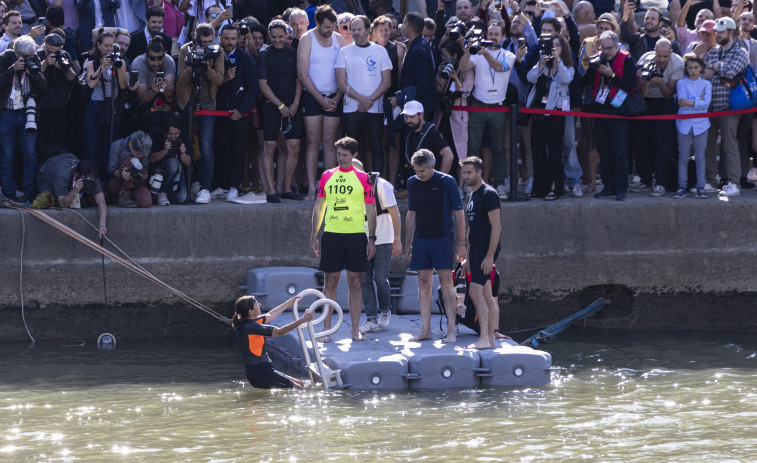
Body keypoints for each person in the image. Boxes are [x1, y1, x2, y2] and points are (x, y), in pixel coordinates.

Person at [310, 137, 377, 342]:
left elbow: (371, 209)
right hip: (332, 234)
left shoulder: (363, 178)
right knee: (330, 281)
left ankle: (355, 329)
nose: (340, 158)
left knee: (355, 282)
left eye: (345, 155)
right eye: (338, 154)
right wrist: (314, 235)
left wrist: (372, 238)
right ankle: (327, 328)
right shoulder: (327, 175)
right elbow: (320, 207)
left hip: (356, 234)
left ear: (354, 155)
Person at [405, 149, 466, 343]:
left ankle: (451, 329)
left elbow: (458, 213)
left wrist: (462, 243)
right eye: (416, 171)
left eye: (422, 171)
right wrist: (409, 242)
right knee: (423, 282)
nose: (419, 175)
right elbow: (411, 213)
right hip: (422, 238)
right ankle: (425, 330)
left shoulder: (447, 181)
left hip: (443, 237)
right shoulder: (412, 182)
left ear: (432, 166)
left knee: (446, 283)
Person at [458, 20, 515, 199]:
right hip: (478, 106)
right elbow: (463, 67)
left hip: (498, 108)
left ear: (503, 37)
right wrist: (469, 49)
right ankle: (471, 185)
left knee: (498, 148)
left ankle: (499, 184)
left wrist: (485, 53)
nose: (493, 37)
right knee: (473, 148)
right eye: (490, 34)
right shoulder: (477, 53)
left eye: (496, 34)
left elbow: (500, 68)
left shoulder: (508, 55)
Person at [297, 5, 346, 201]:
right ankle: (311, 188)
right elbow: (302, 73)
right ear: (317, 23)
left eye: (333, 26)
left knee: (330, 143)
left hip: (334, 96)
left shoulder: (339, 39)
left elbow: (345, 71)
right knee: (312, 143)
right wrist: (320, 99)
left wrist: (336, 98)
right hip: (313, 97)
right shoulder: (307, 39)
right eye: (327, 27)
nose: (330, 30)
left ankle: (330, 189)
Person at [582, 31, 636, 201]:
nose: (606, 52)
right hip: (600, 108)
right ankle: (608, 186)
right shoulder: (598, 57)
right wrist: (591, 69)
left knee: (619, 150)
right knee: (604, 150)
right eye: (603, 48)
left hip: (618, 110)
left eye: (609, 48)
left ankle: (621, 188)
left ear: (617, 45)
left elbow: (630, 86)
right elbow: (585, 82)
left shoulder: (627, 59)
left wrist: (611, 75)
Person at [336, 15, 392, 174]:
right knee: (352, 150)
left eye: (359, 29)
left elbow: (386, 81)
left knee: (376, 147)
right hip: (351, 109)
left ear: (368, 30)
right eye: (353, 29)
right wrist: (362, 100)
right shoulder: (344, 52)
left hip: (375, 109)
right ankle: (353, 184)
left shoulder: (380, 51)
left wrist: (371, 100)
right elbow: (341, 83)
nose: (355, 32)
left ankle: (377, 187)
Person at [176, 23, 224, 204]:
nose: (207, 46)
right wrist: (191, 67)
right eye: (203, 43)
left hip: (207, 104)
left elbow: (219, 79)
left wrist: (206, 68)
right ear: (195, 39)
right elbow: (180, 82)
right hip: (187, 102)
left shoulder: (217, 51)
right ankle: (186, 184)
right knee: (186, 145)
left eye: (210, 41)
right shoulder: (184, 50)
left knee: (205, 148)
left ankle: (205, 187)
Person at [353, 158, 402, 335]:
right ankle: (371, 318)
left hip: (383, 237)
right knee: (364, 279)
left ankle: (385, 310)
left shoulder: (381, 185)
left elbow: (395, 213)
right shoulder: (350, 187)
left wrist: (397, 239)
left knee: (380, 278)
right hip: (361, 237)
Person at [630, 39, 684, 197]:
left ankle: (660, 182)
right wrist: (647, 82)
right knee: (641, 142)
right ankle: (645, 180)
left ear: (670, 54)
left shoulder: (678, 63)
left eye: (665, 56)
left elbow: (669, 94)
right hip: (646, 102)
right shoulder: (644, 60)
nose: (661, 60)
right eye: (658, 56)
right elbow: (641, 93)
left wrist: (660, 82)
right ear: (654, 51)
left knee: (662, 144)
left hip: (665, 103)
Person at [257, 19, 302, 203]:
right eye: (274, 37)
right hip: (271, 106)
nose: (277, 40)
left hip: (292, 106)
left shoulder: (292, 52)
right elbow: (262, 84)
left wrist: (296, 103)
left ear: (287, 35)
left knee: (293, 146)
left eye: (281, 37)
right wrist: (280, 105)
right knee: (270, 147)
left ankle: (286, 187)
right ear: (270, 36)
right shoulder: (264, 54)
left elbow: (299, 79)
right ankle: (272, 190)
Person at [704, 17, 748, 196]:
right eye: (717, 31)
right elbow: (705, 74)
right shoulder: (712, 51)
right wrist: (717, 68)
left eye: (721, 32)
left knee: (730, 145)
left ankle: (734, 183)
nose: (717, 34)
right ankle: (709, 180)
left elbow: (732, 71)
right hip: (710, 106)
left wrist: (715, 67)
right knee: (708, 145)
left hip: (729, 106)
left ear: (731, 32)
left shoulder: (740, 51)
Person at [459, 156, 501, 349]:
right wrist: (467, 256)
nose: (466, 176)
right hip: (475, 251)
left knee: (475, 292)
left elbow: (496, 227)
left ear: (479, 172)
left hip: (485, 251)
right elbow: (470, 229)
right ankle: (491, 339)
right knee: (486, 294)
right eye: (464, 172)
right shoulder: (471, 195)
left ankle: (484, 338)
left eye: (469, 172)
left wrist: (490, 256)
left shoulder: (488, 194)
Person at [526, 35, 574, 200]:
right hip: (538, 114)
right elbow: (530, 78)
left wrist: (558, 60)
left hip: (555, 115)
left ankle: (556, 186)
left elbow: (566, 79)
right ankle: (540, 187)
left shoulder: (567, 67)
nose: (554, 49)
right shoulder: (542, 65)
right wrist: (541, 63)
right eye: (551, 46)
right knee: (538, 151)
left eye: (557, 46)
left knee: (554, 152)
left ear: (563, 49)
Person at [214, 24, 257, 203]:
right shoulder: (215, 57)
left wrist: (242, 109)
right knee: (221, 149)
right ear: (221, 39)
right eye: (226, 38)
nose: (230, 42)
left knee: (238, 151)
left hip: (240, 115)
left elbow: (253, 87)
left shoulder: (246, 59)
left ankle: (234, 186)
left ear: (238, 39)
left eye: (233, 38)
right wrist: (224, 79)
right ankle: (222, 185)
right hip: (218, 113)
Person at [232, 295, 314, 389]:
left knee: (300, 384)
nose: (259, 304)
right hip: (260, 374)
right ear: (250, 311)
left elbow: (271, 315)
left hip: (263, 371)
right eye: (256, 304)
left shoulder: (250, 322)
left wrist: (289, 302)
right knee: (300, 388)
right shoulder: (250, 327)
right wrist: (303, 320)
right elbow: (280, 332)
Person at [0, 35, 46, 203]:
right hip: (8, 112)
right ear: (17, 52)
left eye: (31, 55)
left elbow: (43, 86)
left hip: (28, 113)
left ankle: (29, 192)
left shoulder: (35, 59)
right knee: (6, 155)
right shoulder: (5, 58)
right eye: (26, 57)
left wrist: (32, 72)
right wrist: (12, 69)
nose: (29, 59)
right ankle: (8, 192)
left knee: (30, 154)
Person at [83, 31, 128, 183]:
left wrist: (119, 67)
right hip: (95, 107)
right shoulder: (92, 63)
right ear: (99, 46)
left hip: (112, 107)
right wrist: (102, 67)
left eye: (112, 46)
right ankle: (92, 184)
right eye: (106, 46)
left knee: (110, 149)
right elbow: (91, 83)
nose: (109, 49)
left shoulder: (120, 62)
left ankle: (108, 185)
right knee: (92, 148)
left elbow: (123, 85)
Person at [34, 155, 108, 237]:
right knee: (45, 200)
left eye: (91, 179)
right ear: (77, 174)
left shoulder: (91, 175)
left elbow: (101, 201)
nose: (88, 181)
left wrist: (102, 225)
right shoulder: (61, 174)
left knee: (83, 201)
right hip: (47, 171)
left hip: (66, 159)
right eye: (86, 178)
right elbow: (63, 204)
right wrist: (74, 191)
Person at [674, 54, 712, 199]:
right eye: (690, 68)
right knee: (683, 156)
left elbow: (706, 104)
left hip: (702, 124)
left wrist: (691, 103)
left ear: (701, 68)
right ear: (686, 69)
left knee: (700, 157)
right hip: (683, 124)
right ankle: (682, 186)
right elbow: (681, 102)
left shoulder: (706, 84)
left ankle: (700, 187)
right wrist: (698, 101)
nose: (693, 70)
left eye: (696, 67)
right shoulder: (681, 83)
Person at [35, 32, 78, 153]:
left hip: (60, 106)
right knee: (41, 143)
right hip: (42, 107)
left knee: (59, 141)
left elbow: (73, 79)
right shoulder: (38, 54)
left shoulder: (64, 55)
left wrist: (65, 68)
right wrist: (45, 63)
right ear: (45, 46)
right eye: (50, 52)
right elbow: (34, 77)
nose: (53, 55)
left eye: (56, 52)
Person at [148, 113, 190, 206]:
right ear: (164, 131)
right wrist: (164, 152)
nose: (173, 137)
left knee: (181, 197)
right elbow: (150, 159)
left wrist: (182, 153)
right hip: (157, 174)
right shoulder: (155, 133)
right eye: (170, 134)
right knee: (173, 163)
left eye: (176, 133)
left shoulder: (184, 135)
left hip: (176, 176)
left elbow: (188, 162)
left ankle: (162, 196)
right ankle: (161, 193)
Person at [401, 100, 454, 175]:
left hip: (429, 179)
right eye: (406, 117)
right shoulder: (409, 132)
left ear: (421, 114)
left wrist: (440, 178)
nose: (408, 120)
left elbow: (449, 156)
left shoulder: (432, 132)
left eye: (412, 116)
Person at [107, 130, 152, 208]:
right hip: (118, 183)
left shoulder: (143, 151)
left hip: (135, 183)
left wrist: (142, 176)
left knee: (146, 202)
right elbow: (111, 170)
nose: (141, 157)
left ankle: (130, 196)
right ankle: (124, 196)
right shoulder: (117, 146)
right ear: (131, 144)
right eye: (138, 154)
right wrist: (121, 173)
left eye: (143, 155)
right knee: (131, 159)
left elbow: (145, 171)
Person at [132, 37, 177, 111]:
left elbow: (171, 92)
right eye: (152, 59)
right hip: (141, 108)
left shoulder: (169, 61)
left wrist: (163, 89)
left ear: (164, 56)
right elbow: (141, 98)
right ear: (146, 57)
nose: (156, 64)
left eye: (159, 58)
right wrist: (153, 91)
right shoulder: (138, 64)